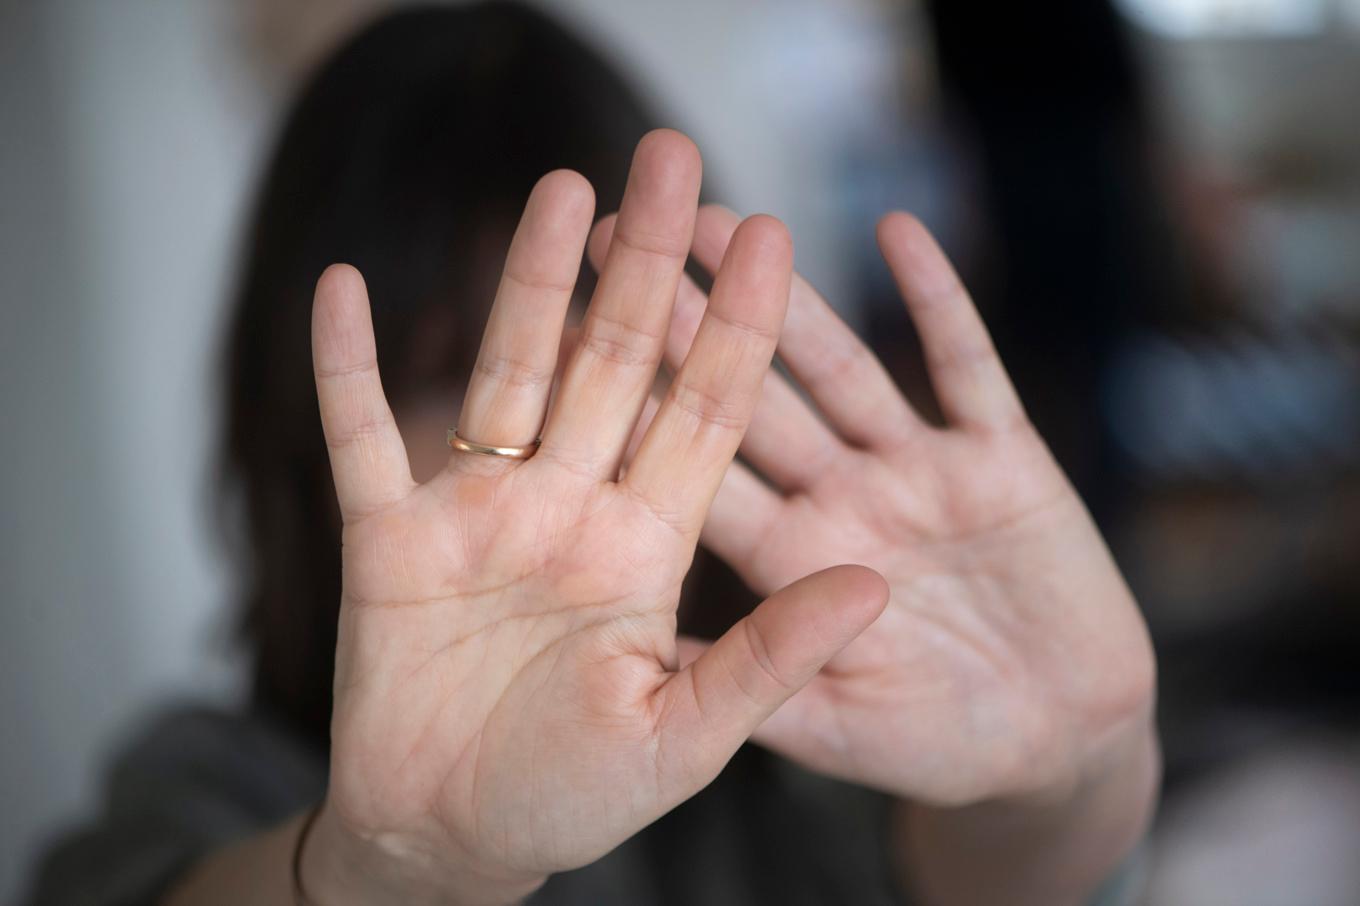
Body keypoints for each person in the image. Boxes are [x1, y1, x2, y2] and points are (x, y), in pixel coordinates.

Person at [24, 4, 1158, 905]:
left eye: (608, 342)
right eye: (445, 373)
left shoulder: (802, 723)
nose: (554, 437)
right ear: (295, 420)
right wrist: (388, 873)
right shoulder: (215, 781)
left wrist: (1070, 774)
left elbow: (971, 872)